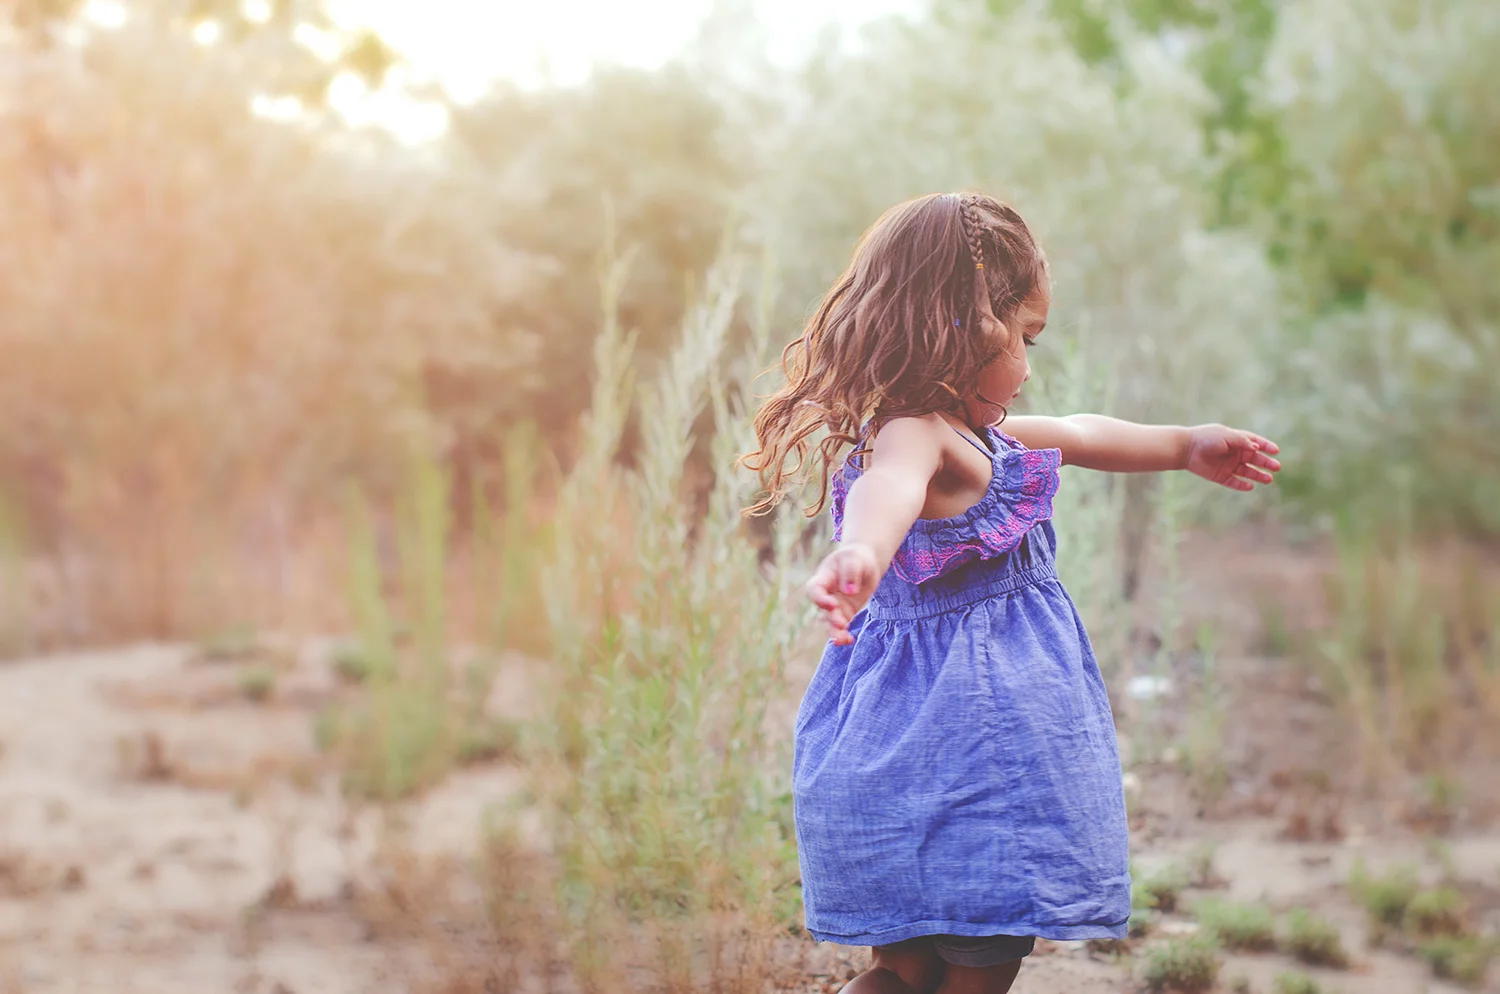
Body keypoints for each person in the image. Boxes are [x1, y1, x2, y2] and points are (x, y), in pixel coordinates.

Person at [741, 193, 1280, 994]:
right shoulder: (915, 433)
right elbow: (887, 491)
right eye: (1025, 337)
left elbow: (1086, 432)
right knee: (982, 959)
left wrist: (1183, 445)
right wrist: (859, 553)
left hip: (903, 754)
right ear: (966, 325)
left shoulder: (976, 439)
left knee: (905, 970)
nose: (1030, 366)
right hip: (981, 758)